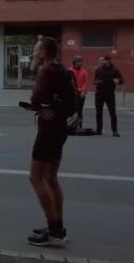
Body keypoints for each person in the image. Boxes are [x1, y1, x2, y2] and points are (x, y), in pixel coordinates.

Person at [24, 37, 68, 246]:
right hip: (60, 128)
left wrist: (38, 107)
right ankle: (58, 226)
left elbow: (36, 97)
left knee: (36, 178)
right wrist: (54, 111)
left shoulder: (47, 71)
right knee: (51, 178)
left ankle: (53, 230)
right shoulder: (62, 70)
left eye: (35, 50)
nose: (33, 53)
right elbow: (71, 102)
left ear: (43, 53)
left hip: (48, 131)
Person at [94, 56, 123, 137]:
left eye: (104, 60)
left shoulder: (115, 70)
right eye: (102, 60)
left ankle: (115, 131)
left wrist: (118, 80)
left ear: (108, 61)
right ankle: (99, 130)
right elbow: (94, 80)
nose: (102, 62)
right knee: (98, 113)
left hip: (109, 94)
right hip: (99, 94)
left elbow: (121, 80)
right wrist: (97, 82)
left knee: (112, 113)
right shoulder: (99, 69)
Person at [68, 56, 88, 128]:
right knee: (71, 109)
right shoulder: (69, 70)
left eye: (80, 62)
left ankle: (80, 125)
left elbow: (85, 83)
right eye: (78, 62)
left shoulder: (84, 71)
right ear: (74, 62)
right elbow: (67, 82)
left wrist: (83, 91)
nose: (80, 63)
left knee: (80, 110)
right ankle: (71, 124)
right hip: (72, 93)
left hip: (80, 93)